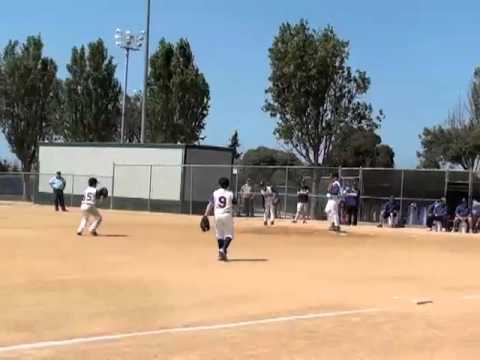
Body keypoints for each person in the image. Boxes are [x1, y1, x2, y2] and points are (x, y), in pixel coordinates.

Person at [203, 177, 236, 261]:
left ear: (219, 184)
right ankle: (222, 250)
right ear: (228, 185)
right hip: (227, 215)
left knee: (219, 235)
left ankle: (221, 254)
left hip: (217, 215)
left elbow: (210, 204)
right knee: (229, 235)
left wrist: (205, 215)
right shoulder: (230, 193)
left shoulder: (215, 193)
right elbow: (235, 202)